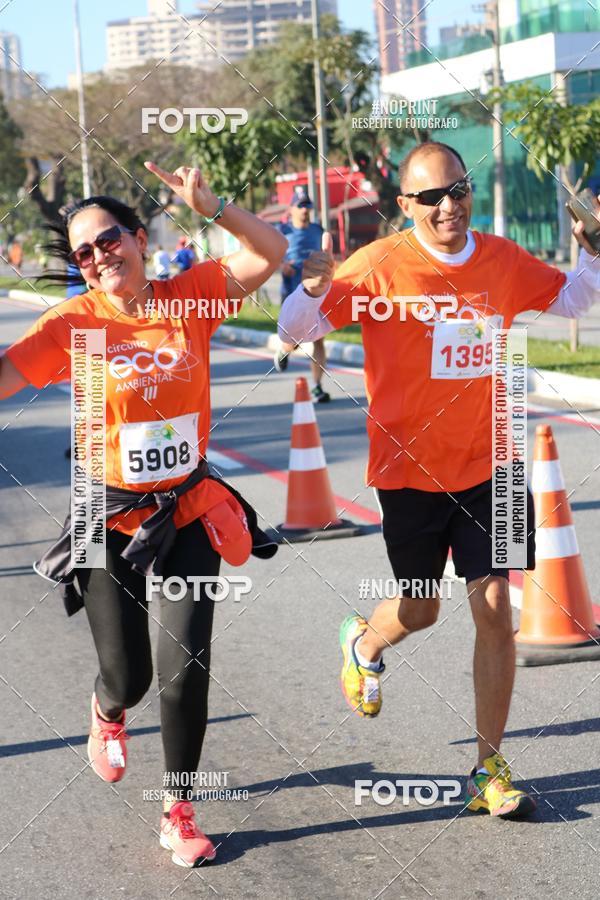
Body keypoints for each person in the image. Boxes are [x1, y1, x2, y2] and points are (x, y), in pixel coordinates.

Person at [279, 141, 600, 818]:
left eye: (458, 190)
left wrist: (592, 249)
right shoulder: (378, 266)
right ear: (405, 205)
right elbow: (294, 329)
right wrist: (309, 290)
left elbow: (574, 301)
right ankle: (365, 640)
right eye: (431, 197)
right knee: (420, 608)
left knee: (494, 615)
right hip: (410, 473)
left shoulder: (501, 259)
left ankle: (489, 767)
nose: (449, 205)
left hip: (495, 466)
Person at [0, 162, 286, 866]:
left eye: (109, 240)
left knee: (185, 664)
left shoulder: (188, 300)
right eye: (85, 253)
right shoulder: (77, 325)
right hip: (108, 517)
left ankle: (178, 809)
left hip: (187, 506)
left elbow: (269, 256)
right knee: (126, 675)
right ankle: (107, 710)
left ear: (139, 238)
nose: (100, 258)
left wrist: (215, 207)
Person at [274, 186, 330, 403]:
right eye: (300, 206)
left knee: (318, 340)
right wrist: (281, 265)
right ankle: (284, 350)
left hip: (316, 294)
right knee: (294, 340)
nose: (305, 210)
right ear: (291, 209)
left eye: (307, 205)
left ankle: (317, 386)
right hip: (292, 292)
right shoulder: (283, 231)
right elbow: (269, 255)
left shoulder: (318, 230)